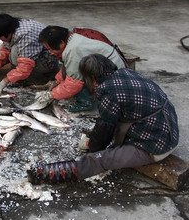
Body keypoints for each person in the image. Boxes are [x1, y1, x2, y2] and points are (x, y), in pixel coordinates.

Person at [27, 54, 179, 185]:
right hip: (167, 129)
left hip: (154, 146)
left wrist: (93, 148)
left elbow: (105, 128)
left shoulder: (107, 90)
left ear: (91, 77)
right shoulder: (125, 73)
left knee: (100, 159)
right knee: (107, 128)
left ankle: (44, 173)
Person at [35, 25, 128, 112]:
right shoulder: (71, 39)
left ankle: (84, 104)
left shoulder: (73, 49)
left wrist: (52, 95)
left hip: (114, 74)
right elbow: (67, 66)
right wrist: (57, 81)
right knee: (71, 73)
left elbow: (73, 84)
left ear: (61, 43)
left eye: (51, 49)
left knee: (76, 80)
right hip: (106, 65)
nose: (50, 52)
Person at [0, 13, 60, 96]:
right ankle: (18, 75)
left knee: (15, 52)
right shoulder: (13, 27)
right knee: (13, 50)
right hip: (38, 54)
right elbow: (6, 47)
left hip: (48, 62)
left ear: (7, 32)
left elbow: (24, 67)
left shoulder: (25, 36)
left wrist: (4, 81)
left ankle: (23, 78)